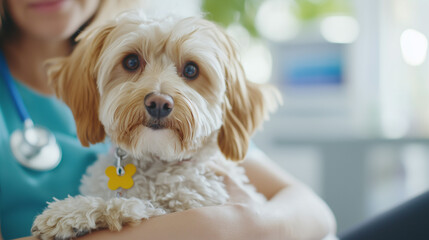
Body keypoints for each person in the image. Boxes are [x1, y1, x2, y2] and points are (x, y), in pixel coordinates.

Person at [0, 0, 336, 239]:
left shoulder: (208, 146)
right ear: (89, 91)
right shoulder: (98, 65)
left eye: (190, 71)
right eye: (132, 64)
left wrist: (252, 222)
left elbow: (315, 213)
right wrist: (217, 227)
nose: (159, 96)